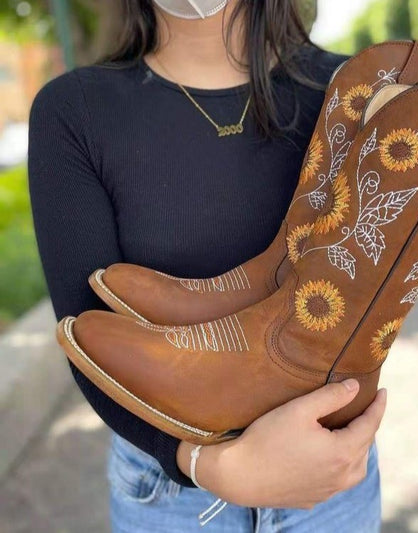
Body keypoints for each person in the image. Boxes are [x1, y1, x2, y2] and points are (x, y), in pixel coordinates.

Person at [27, 1, 387, 531]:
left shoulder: (352, 90)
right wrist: (211, 465)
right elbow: (89, 340)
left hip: (327, 476)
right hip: (169, 488)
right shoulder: (76, 111)